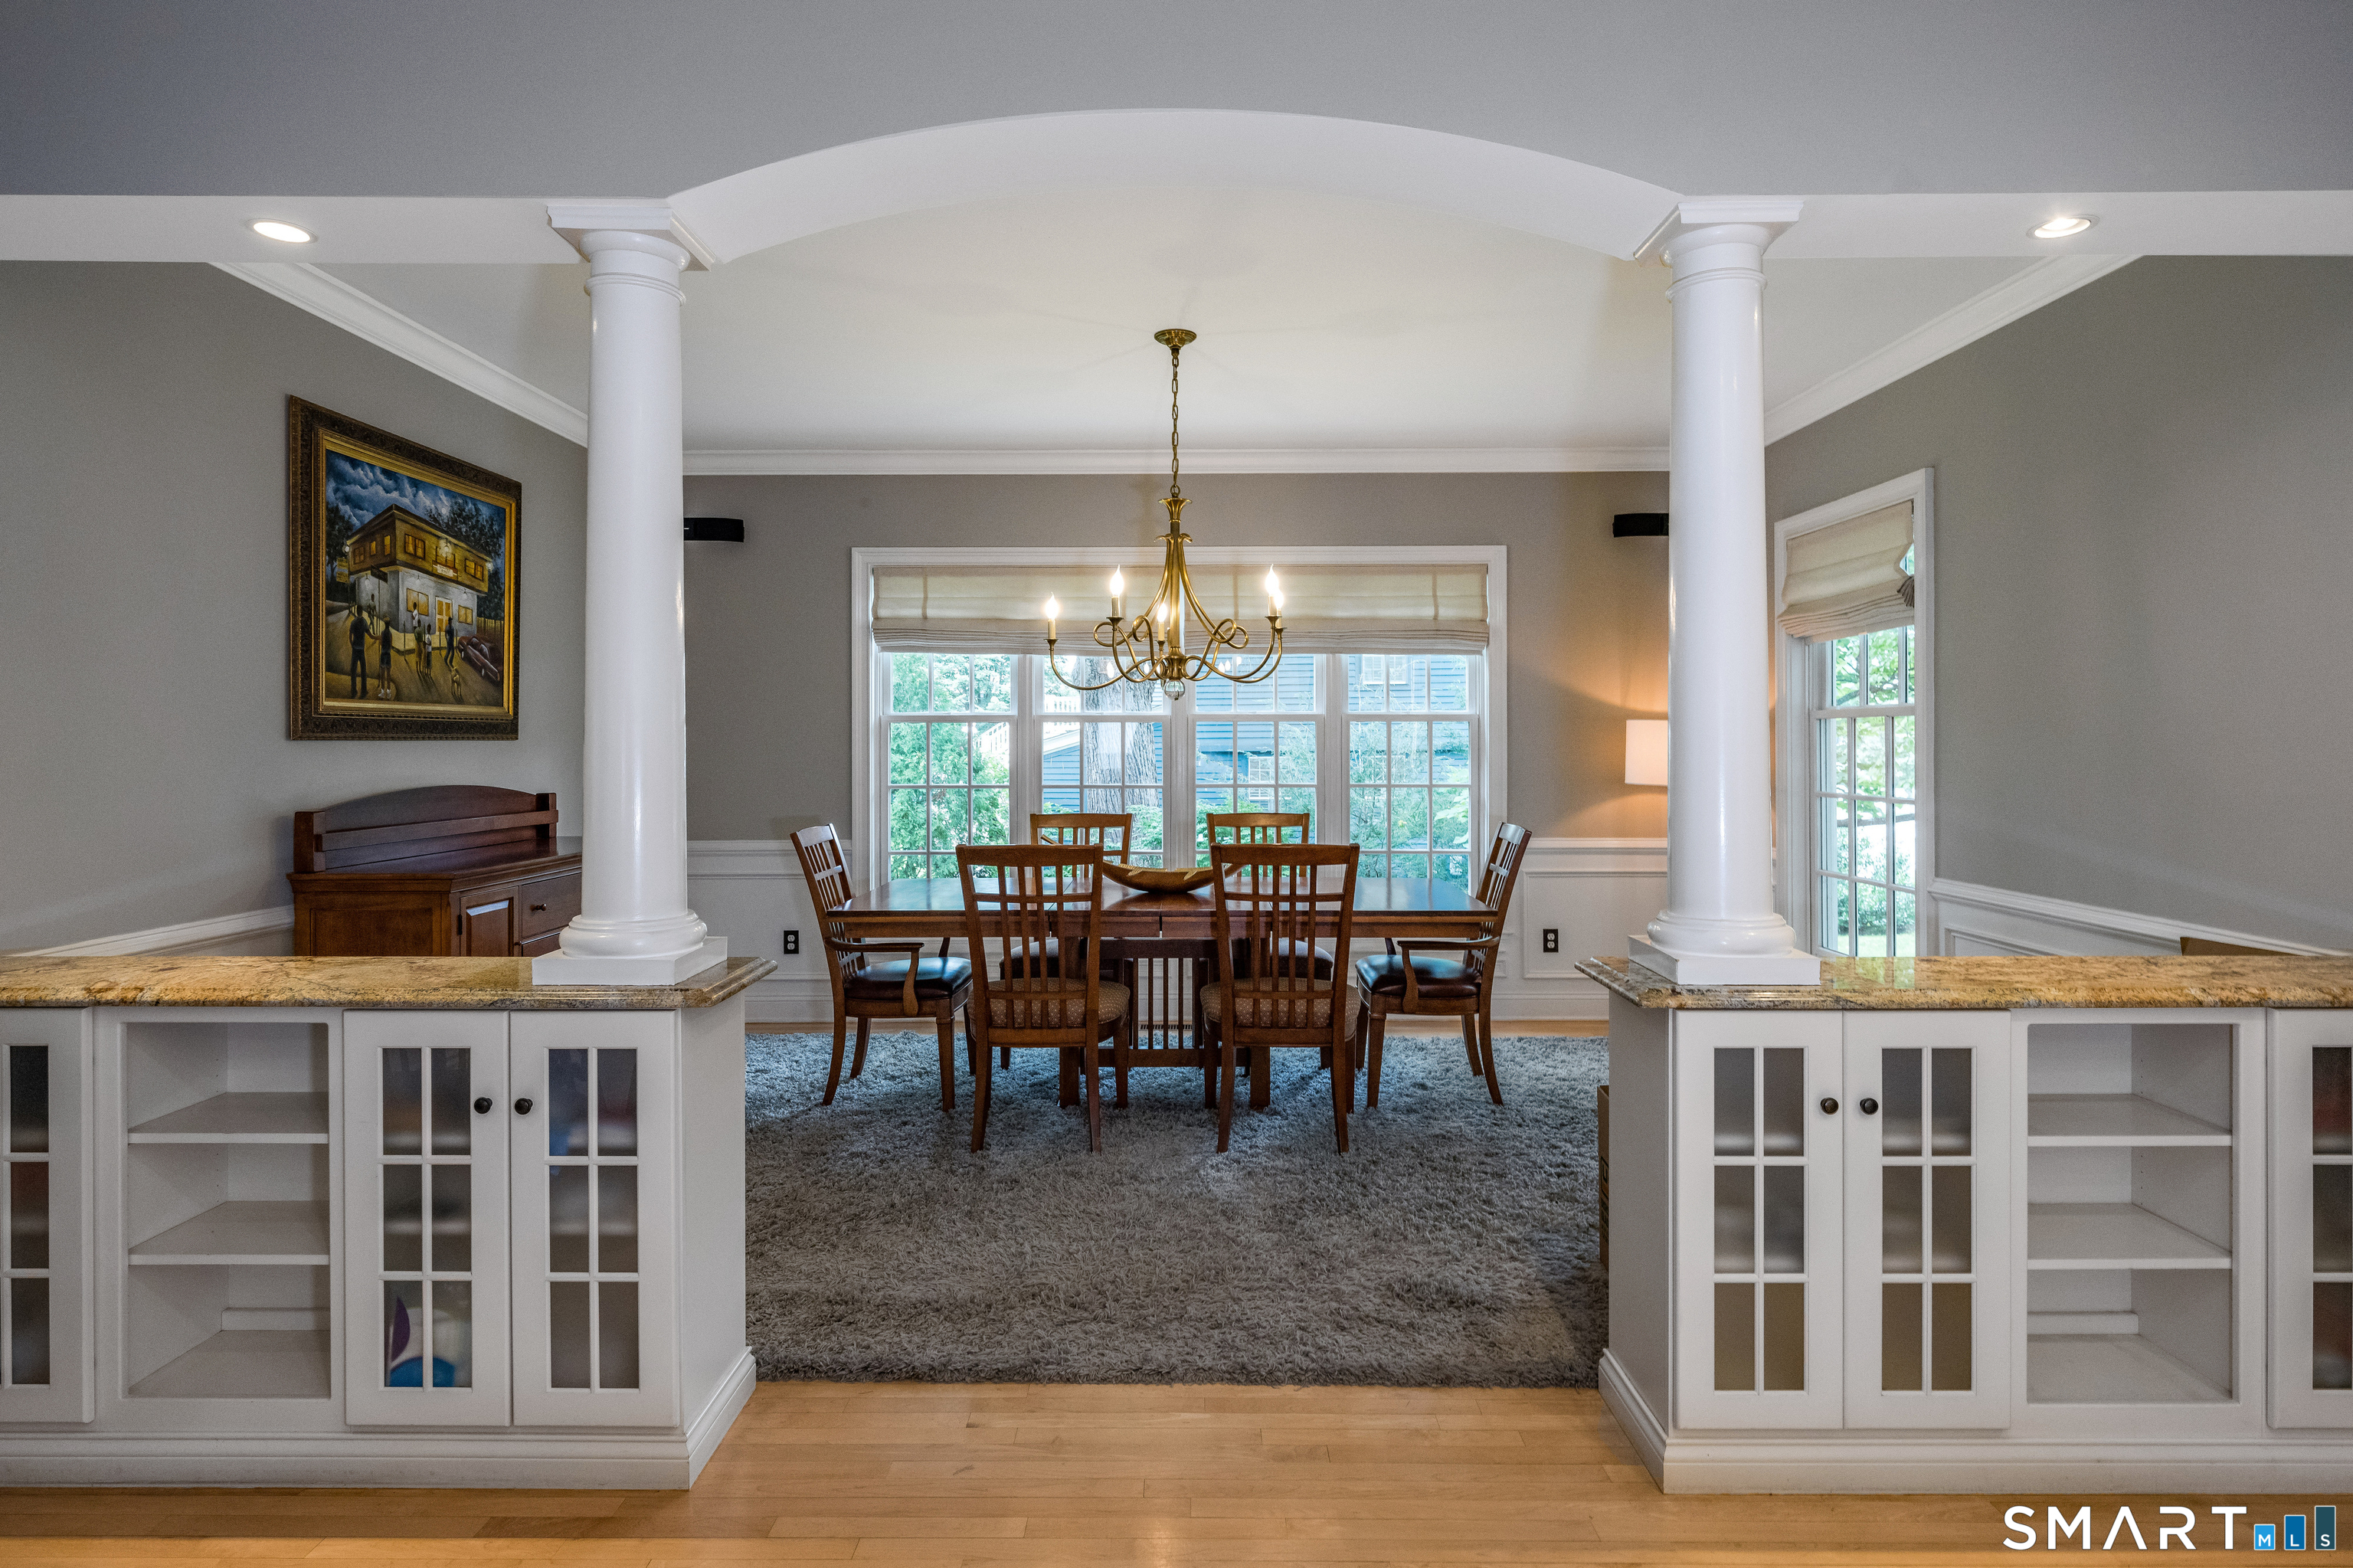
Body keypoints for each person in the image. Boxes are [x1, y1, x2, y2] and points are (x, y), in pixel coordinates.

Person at [346, 604, 368, 698]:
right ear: (362, 612)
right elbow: (370, 635)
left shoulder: (353, 622)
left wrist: (353, 645)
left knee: (353, 670)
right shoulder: (364, 622)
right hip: (361, 650)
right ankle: (363, 691)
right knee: (363, 670)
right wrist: (378, 637)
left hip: (355, 649)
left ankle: (353, 690)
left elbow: (350, 636)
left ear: (356, 611)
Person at [376, 611, 394, 698]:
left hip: (383, 654)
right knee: (388, 674)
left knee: (382, 674)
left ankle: (383, 692)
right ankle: (389, 693)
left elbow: (381, 643)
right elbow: (391, 645)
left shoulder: (383, 633)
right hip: (388, 654)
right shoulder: (390, 634)